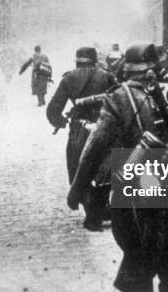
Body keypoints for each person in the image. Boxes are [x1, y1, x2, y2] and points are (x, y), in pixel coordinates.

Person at [67, 44, 168, 292]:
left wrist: (77, 190)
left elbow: (95, 148)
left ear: (126, 69)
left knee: (136, 276)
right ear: (156, 66)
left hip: (140, 201)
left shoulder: (118, 99)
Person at [46, 46, 117, 231]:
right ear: (95, 60)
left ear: (77, 60)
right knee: (105, 166)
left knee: (78, 166)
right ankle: (103, 206)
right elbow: (118, 99)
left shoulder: (69, 78)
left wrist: (60, 122)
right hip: (105, 127)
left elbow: (53, 110)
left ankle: (91, 208)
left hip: (80, 129)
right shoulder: (107, 76)